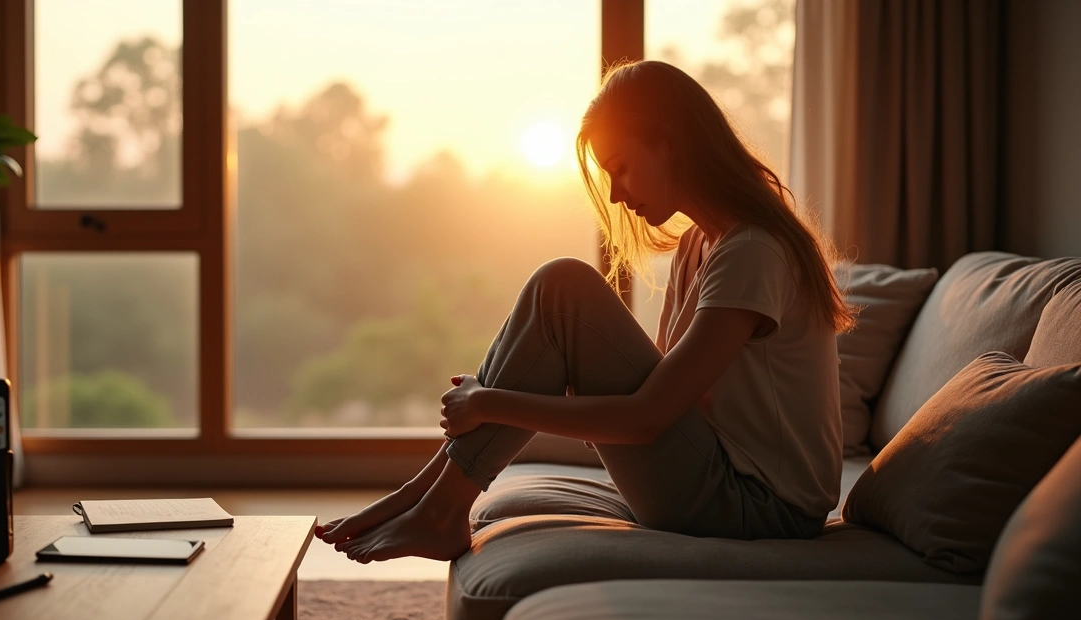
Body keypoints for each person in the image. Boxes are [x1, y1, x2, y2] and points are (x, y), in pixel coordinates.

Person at [315, 60, 854, 564]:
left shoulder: (753, 250)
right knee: (559, 287)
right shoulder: (701, 244)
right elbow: (665, 404)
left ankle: (436, 507)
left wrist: (492, 402)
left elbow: (647, 418)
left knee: (566, 287)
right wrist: (497, 401)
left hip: (760, 508)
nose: (616, 195)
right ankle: (425, 498)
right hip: (719, 480)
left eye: (621, 168)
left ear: (669, 144)